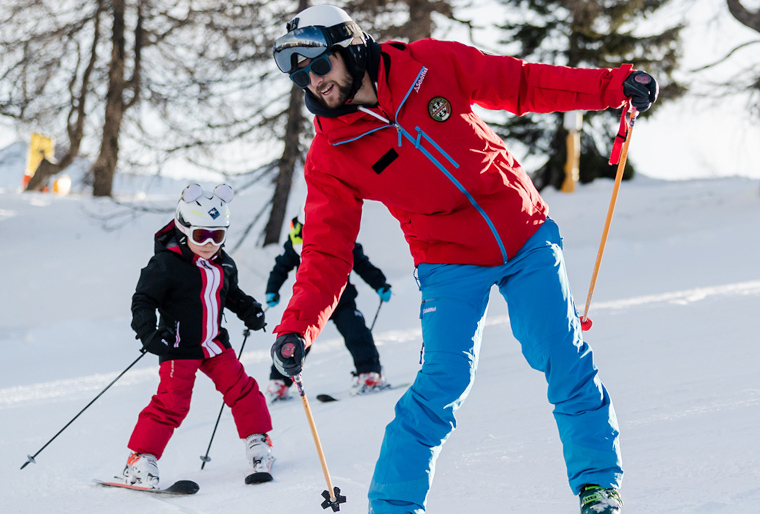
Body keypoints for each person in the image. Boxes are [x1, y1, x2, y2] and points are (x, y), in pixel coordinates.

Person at [269, 5, 659, 514]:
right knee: (442, 383)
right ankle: (393, 506)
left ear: (351, 49)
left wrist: (613, 86)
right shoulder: (332, 153)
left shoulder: (429, 65)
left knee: (563, 357)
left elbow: (521, 84)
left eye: (319, 66)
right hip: (447, 260)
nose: (313, 83)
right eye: (300, 75)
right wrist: (297, 327)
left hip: (523, 232)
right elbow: (326, 250)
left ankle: (597, 486)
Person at [123, 183, 274, 488]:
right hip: (179, 345)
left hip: (215, 343)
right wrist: (148, 334)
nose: (208, 243)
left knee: (242, 390)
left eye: (217, 235)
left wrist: (249, 309)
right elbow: (143, 299)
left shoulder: (224, 264)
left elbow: (229, 294)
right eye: (201, 235)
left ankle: (259, 442)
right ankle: (140, 460)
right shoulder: (166, 264)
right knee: (172, 403)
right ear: (183, 229)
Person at [264, 211, 392, 402]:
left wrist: (380, 283)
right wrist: (272, 289)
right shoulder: (295, 240)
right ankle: (279, 382)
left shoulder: (340, 235)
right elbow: (281, 266)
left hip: (342, 299)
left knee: (357, 333)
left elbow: (362, 264)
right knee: (297, 339)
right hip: (312, 301)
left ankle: (368, 373)